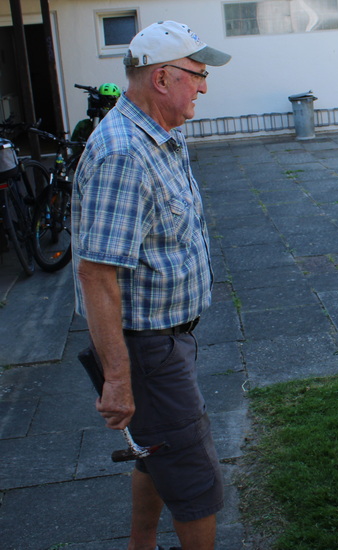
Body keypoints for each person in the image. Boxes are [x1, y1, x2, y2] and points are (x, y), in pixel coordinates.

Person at [72, 21, 230, 550]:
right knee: (195, 478)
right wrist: (117, 378)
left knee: (158, 450)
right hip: (149, 349)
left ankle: (140, 544)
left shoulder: (159, 133)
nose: (204, 87)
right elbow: (96, 272)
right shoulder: (124, 154)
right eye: (198, 75)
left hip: (168, 340)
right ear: (162, 78)